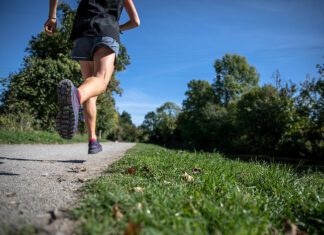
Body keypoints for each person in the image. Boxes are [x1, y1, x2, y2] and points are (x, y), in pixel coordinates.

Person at [44, 0, 140, 154]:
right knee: (100, 81)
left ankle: (93, 140)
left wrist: (52, 17)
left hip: (82, 32)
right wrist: (119, 27)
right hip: (107, 30)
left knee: (90, 88)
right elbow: (136, 21)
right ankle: (76, 96)